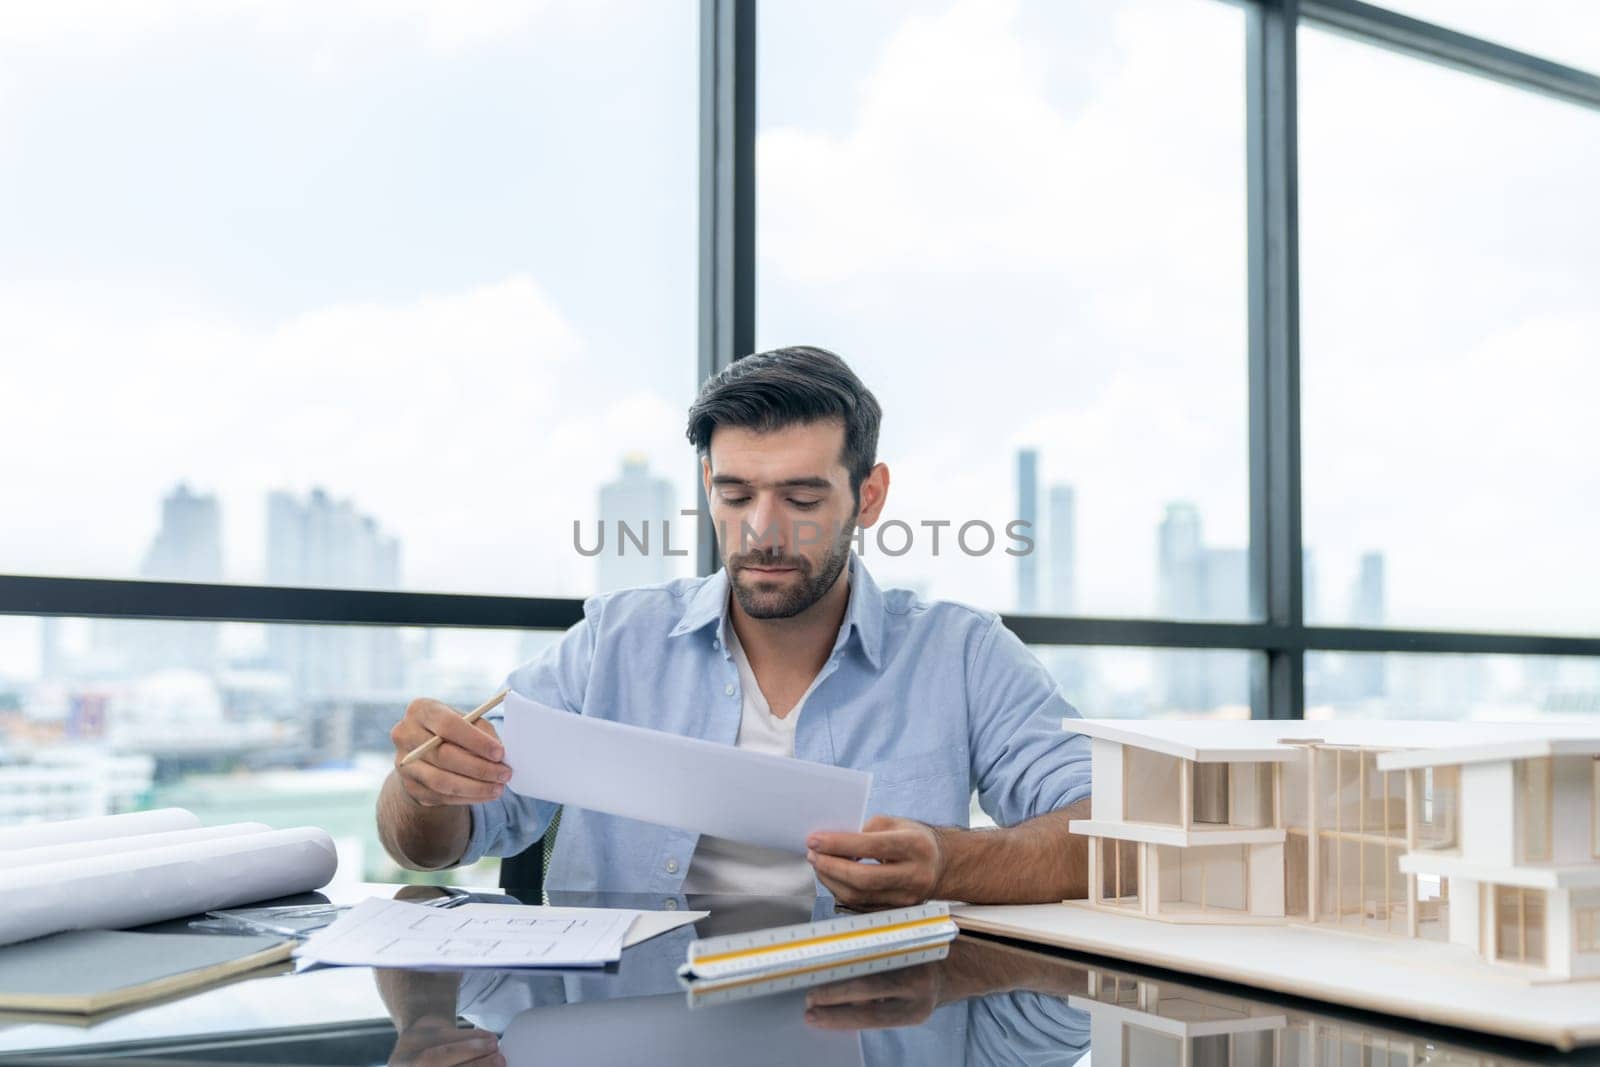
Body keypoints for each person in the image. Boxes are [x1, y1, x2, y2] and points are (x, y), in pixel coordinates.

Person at [377, 346, 1092, 907]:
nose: (762, 531)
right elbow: (432, 846)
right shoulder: (614, 643)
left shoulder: (961, 655)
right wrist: (422, 789)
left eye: (803, 496)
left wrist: (949, 861)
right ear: (706, 485)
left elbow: (1108, 832)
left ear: (868, 496)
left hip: (874, 1018)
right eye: (735, 492)